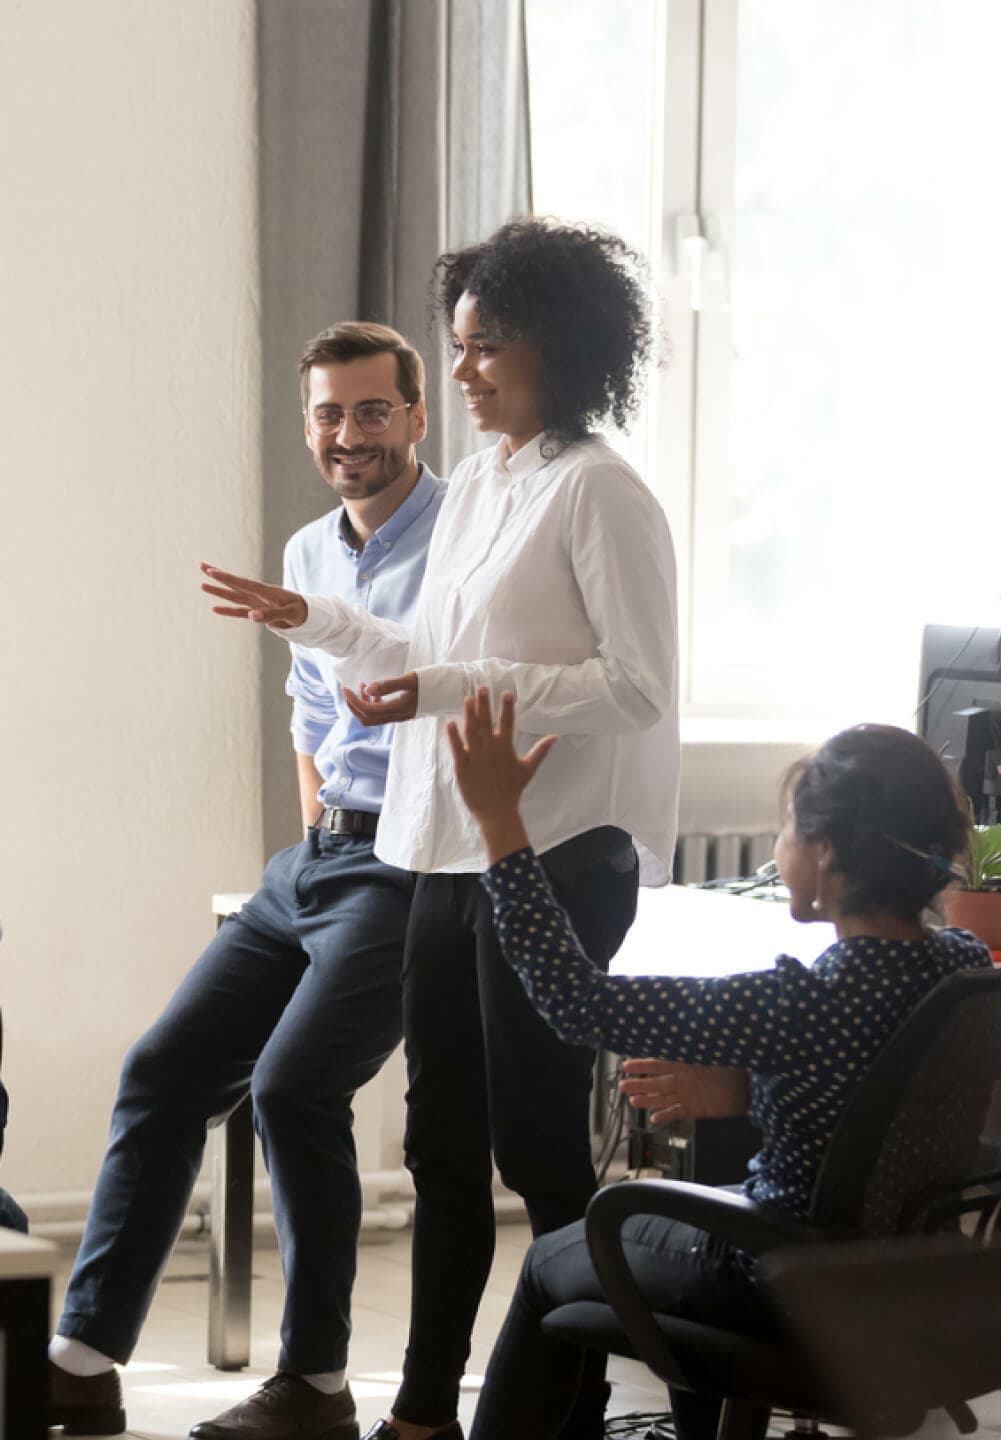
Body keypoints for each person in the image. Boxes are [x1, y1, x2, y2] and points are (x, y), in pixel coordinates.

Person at [199, 218, 680, 1440]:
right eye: (457, 348)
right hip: (439, 848)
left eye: (484, 349)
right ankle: (424, 1409)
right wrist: (317, 617)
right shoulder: (487, 485)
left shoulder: (601, 490)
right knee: (439, 1149)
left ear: (557, 347)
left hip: (558, 850)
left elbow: (634, 687)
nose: (461, 372)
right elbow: (430, 652)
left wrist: (456, 689)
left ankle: (568, 1405)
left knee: (536, 1151)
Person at [48, 322, 445, 1440]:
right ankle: (80, 1360)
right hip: (319, 855)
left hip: (412, 860)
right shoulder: (309, 547)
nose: (348, 433)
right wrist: (315, 820)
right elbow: (309, 711)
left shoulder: (466, 540)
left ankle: (314, 1387)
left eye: (372, 410)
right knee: (164, 1071)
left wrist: (362, 836)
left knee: (292, 1089)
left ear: (418, 416)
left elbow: (426, 670)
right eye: (328, 412)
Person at [442, 695, 991, 1440]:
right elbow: (889, 1097)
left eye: (788, 831)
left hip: (779, 1272)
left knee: (547, 1264)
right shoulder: (963, 964)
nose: (778, 850)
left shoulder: (802, 1003)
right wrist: (751, 1087)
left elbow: (575, 1003)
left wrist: (500, 827)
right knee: (683, 1209)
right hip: (906, 1266)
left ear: (825, 850)